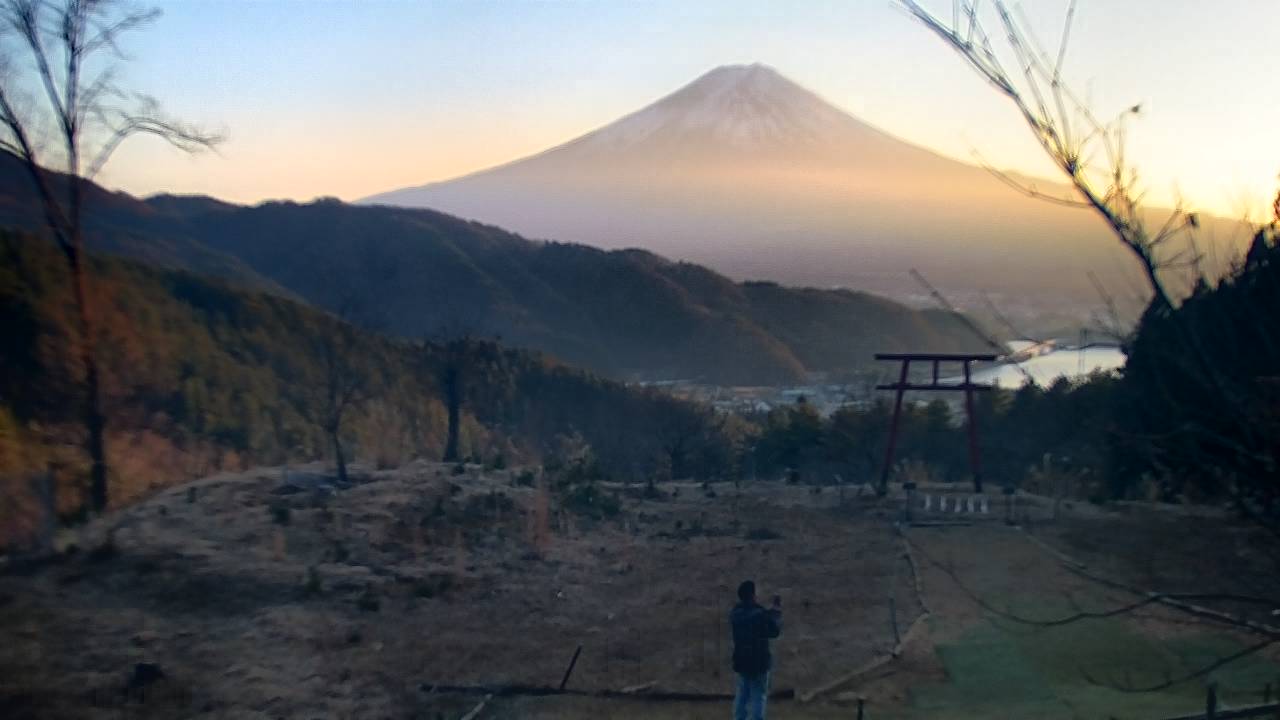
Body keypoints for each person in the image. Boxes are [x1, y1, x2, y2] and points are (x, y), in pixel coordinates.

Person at [729, 579, 782, 720]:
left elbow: (753, 617)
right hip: (759, 663)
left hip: (742, 661)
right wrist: (776, 613)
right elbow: (774, 631)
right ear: (752, 595)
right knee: (758, 696)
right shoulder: (760, 614)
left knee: (742, 696)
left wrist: (768, 613)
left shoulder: (735, 613)